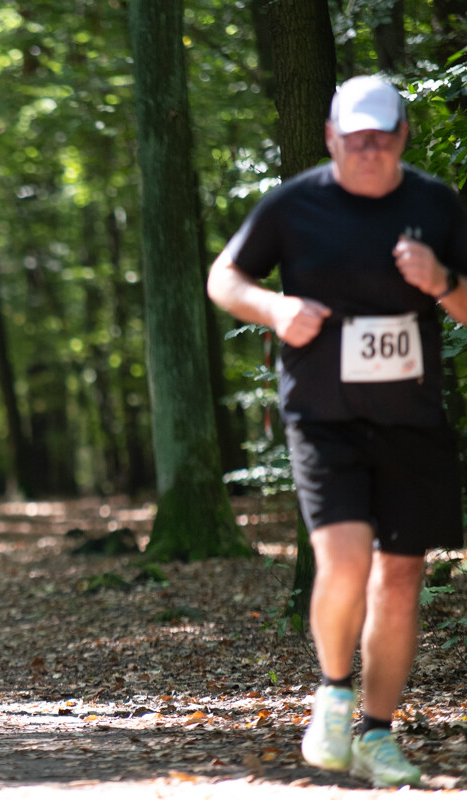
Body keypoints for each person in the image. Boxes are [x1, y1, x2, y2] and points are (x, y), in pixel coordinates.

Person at [207, 75, 467, 787]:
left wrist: (443, 281)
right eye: (356, 139)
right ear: (331, 138)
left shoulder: (437, 205)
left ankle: (378, 736)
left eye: (382, 137)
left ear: (403, 137)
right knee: (346, 558)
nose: (370, 150)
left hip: (411, 421)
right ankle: (333, 690)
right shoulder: (297, 204)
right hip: (324, 416)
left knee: (403, 575)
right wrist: (271, 306)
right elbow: (224, 277)